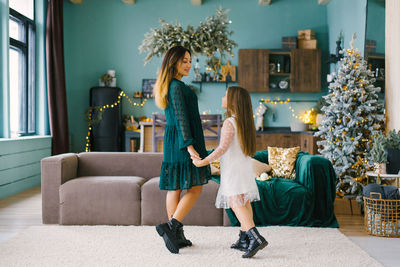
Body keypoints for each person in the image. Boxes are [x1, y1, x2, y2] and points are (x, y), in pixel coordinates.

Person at [192, 86, 268, 258]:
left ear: (232, 101)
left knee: (235, 202)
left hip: (233, 169)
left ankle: (254, 237)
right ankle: (244, 239)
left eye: (225, 95)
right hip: (243, 168)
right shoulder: (244, 121)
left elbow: (221, 149)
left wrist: (203, 161)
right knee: (244, 201)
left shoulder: (229, 122)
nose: (222, 98)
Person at [154, 46, 211, 254]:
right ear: (173, 62)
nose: (188, 65)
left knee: (176, 187)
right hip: (182, 141)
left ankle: (176, 235)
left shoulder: (171, 84)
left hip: (175, 140)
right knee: (195, 187)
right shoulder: (177, 86)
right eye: (184, 61)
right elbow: (181, 118)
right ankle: (172, 227)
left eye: (189, 61)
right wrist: (190, 146)